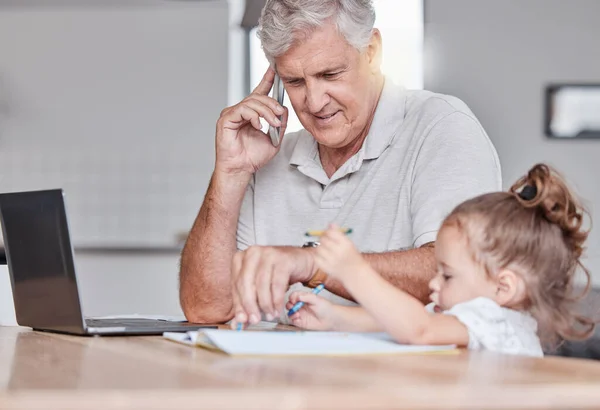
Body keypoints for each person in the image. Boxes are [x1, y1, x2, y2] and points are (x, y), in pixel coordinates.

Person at [179, 0, 501, 325]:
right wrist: (230, 174)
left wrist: (315, 264)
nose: (315, 102)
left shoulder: (442, 126)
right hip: (287, 373)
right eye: (294, 82)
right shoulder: (267, 160)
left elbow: (466, 275)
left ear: (372, 51)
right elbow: (206, 308)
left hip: (409, 373)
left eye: (330, 74)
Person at [285, 164, 596, 357]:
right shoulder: (460, 315)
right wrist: (334, 318)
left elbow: (418, 329)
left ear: (503, 287)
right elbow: (391, 323)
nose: (434, 282)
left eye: (447, 276)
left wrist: (354, 270)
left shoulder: (497, 322)